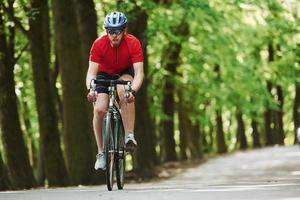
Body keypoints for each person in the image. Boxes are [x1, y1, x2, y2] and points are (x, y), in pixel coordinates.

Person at [86, 11, 144, 170]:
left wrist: (133, 91)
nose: (114, 35)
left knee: (124, 90)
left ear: (124, 31)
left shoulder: (133, 43)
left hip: (125, 72)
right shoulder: (99, 44)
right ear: (106, 31)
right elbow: (91, 72)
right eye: (111, 31)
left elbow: (139, 73)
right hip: (103, 75)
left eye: (118, 31)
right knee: (99, 110)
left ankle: (129, 136)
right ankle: (101, 153)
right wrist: (91, 88)